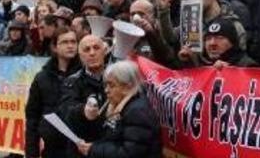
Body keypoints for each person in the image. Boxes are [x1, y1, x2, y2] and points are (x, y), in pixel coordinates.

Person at [75, 60, 161, 158]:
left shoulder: (137, 111)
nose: (106, 90)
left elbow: (130, 153)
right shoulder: (115, 105)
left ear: (127, 86)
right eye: (106, 85)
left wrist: (94, 149)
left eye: (111, 85)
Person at [25, 29, 81, 158]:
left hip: (79, 148)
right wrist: (31, 153)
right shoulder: (42, 78)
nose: (70, 45)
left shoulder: (84, 74)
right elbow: (32, 117)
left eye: (73, 42)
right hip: (52, 148)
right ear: (55, 47)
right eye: (65, 42)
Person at [55, 35, 109, 156]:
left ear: (105, 51)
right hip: (81, 150)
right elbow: (66, 110)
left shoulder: (116, 78)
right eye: (87, 49)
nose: (92, 53)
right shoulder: (72, 82)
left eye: (96, 48)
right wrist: (83, 112)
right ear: (80, 56)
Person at [179, 18, 258, 68]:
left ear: (232, 42)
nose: (212, 43)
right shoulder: (203, 65)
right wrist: (187, 62)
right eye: (208, 39)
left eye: (219, 38)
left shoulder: (248, 66)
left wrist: (231, 73)